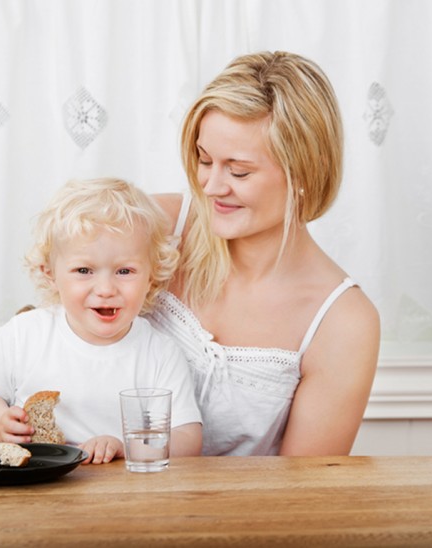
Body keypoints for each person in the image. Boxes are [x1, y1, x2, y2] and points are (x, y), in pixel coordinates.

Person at [147, 51, 380, 456]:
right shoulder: (157, 227)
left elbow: (302, 495)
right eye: (204, 160)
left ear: (306, 169)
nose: (212, 186)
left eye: (239, 171)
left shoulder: (343, 323)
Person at [0, 178, 202, 464]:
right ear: (49, 272)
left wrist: (127, 446)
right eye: (84, 270)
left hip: (121, 495)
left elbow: (188, 437)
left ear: (152, 275)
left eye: (124, 271)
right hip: (34, 487)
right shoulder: (25, 334)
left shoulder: (159, 352)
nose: (106, 289)